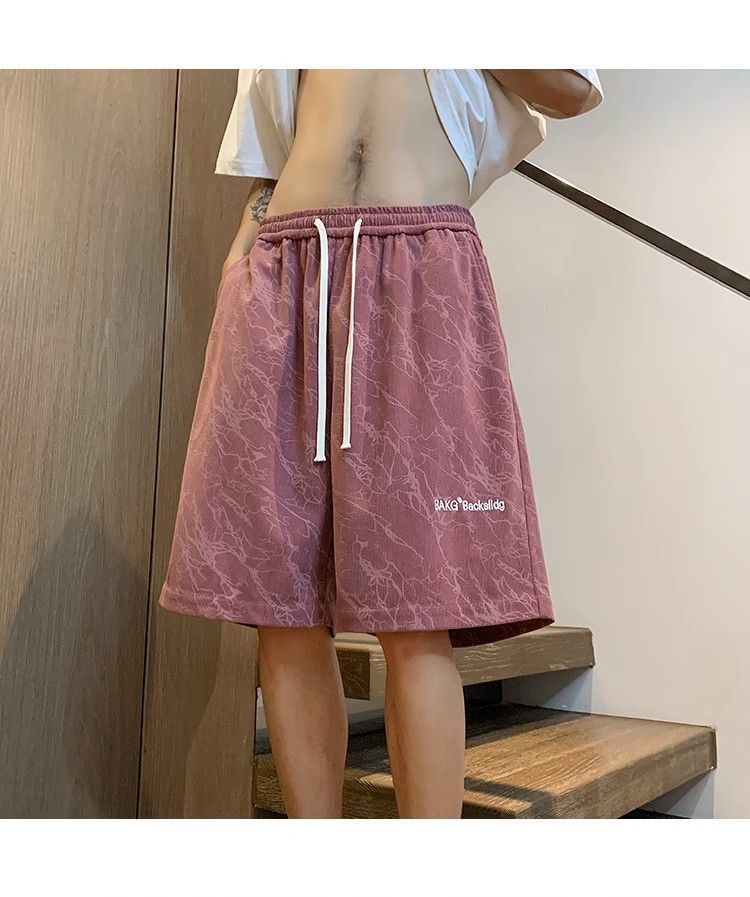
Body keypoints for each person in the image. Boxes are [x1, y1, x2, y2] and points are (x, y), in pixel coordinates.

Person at [158, 69, 603, 819]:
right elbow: (269, 156)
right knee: (284, 605)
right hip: (286, 262)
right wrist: (240, 269)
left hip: (420, 264)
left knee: (417, 606)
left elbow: (572, 88)